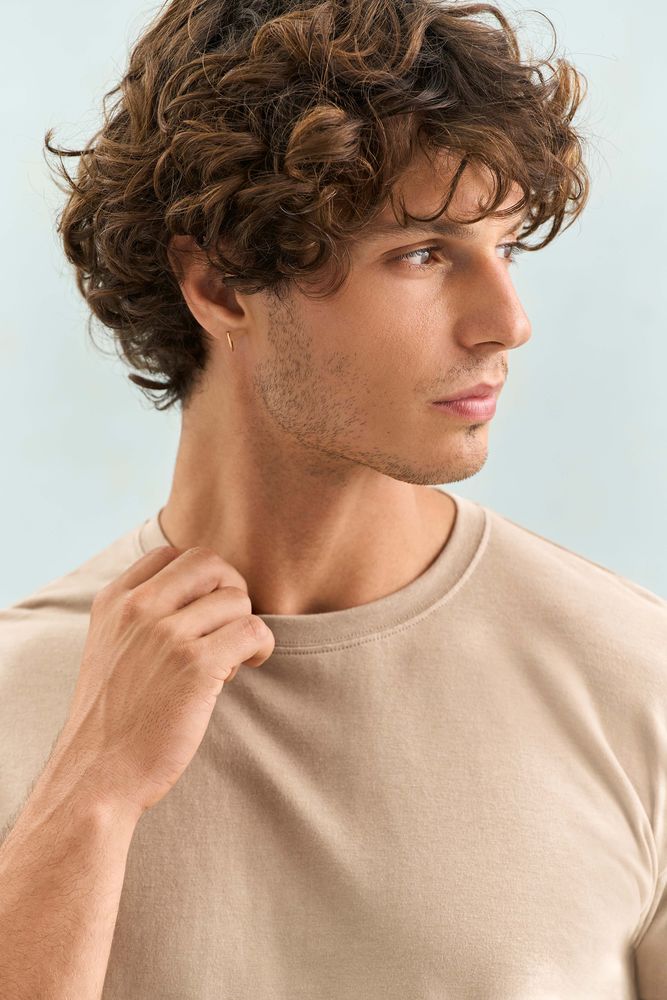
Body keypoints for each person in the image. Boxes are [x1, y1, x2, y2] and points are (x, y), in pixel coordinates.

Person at [1, 0, 665, 997]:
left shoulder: (635, 682)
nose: (507, 321)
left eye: (506, 246)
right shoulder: (20, 703)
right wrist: (91, 792)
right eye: (422, 252)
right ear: (221, 288)